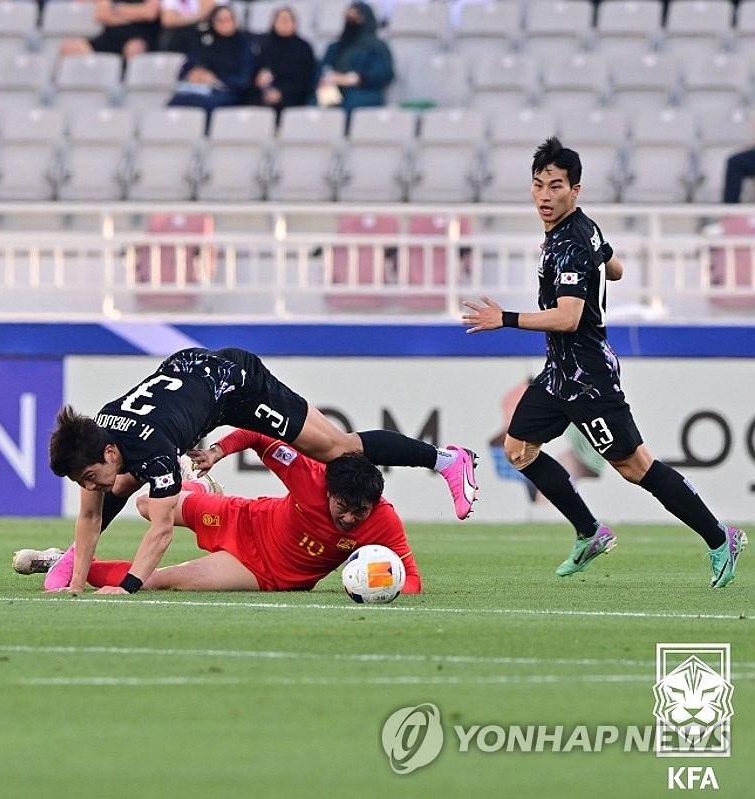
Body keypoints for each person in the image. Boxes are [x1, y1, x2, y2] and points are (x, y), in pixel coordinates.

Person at [461, 137, 746, 587]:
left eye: (556, 186)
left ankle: (719, 538)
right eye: (538, 185)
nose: (544, 196)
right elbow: (616, 269)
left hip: (588, 376)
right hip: (558, 374)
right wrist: (595, 264)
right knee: (517, 449)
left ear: (576, 190)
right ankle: (590, 531)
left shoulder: (572, 241)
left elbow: (570, 317)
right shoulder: (581, 231)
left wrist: (506, 319)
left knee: (636, 467)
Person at [47, 346, 478, 595]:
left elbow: (159, 531)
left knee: (337, 448)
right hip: (188, 375)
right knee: (120, 483)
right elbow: (90, 511)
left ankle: (446, 460)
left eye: (88, 476)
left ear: (108, 450)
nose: (88, 486)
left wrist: (127, 590)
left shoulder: (150, 450)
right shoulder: (101, 435)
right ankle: (70, 564)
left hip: (236, 384)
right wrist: (76, 583)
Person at [20, 430, 422, 593]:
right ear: (328, 488)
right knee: (145, 504)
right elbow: (258, 434)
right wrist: (216, 452)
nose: (350, 518)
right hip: (242, 519)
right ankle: (195, 486)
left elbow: (411, 580)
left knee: (159, 581)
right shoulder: (309, 476)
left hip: (264, 575)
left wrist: (383, 589)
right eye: (342, 507)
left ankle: (62, 562)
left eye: (359, 513)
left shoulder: (382, 520)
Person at [167, 5, 254, 116]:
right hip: (199, 89)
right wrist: (192, 75)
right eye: (220, 20)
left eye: (228, 19)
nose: (225, 24)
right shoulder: (205, 42)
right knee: (176, 101)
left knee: (209, 103)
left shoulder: (243, 44)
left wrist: (216, 80)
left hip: (230, 91)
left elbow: (244, 80)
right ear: (213, 23)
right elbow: (186, 68)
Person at [317, 2, 395, 114]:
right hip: (334, 89)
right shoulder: (335, 47)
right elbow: (322, 69)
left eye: (356, 17)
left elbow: (381, 74)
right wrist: (326, 79)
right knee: (318, 104)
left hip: (364, 91)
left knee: (352, 104)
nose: (351, 20)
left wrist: (348, 79)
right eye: (349, 17)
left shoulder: (376, 47)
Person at [250, 6, 318, 114]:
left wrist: (282, 93)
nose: (284, 24)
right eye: (281, 20)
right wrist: (258, 80)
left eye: (288, 20)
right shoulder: (264, 46)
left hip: (293, 95)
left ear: (295, 23)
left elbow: (306, 79)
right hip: (265, 94)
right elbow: (255, 72)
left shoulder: (303, 47)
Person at [59, 0, 161, 62]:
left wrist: (116, 9)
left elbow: (149, 13)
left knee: (134, 49)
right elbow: (101, 14)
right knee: (70, 47)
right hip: (109, 36)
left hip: (139, 35)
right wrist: (133, 16)